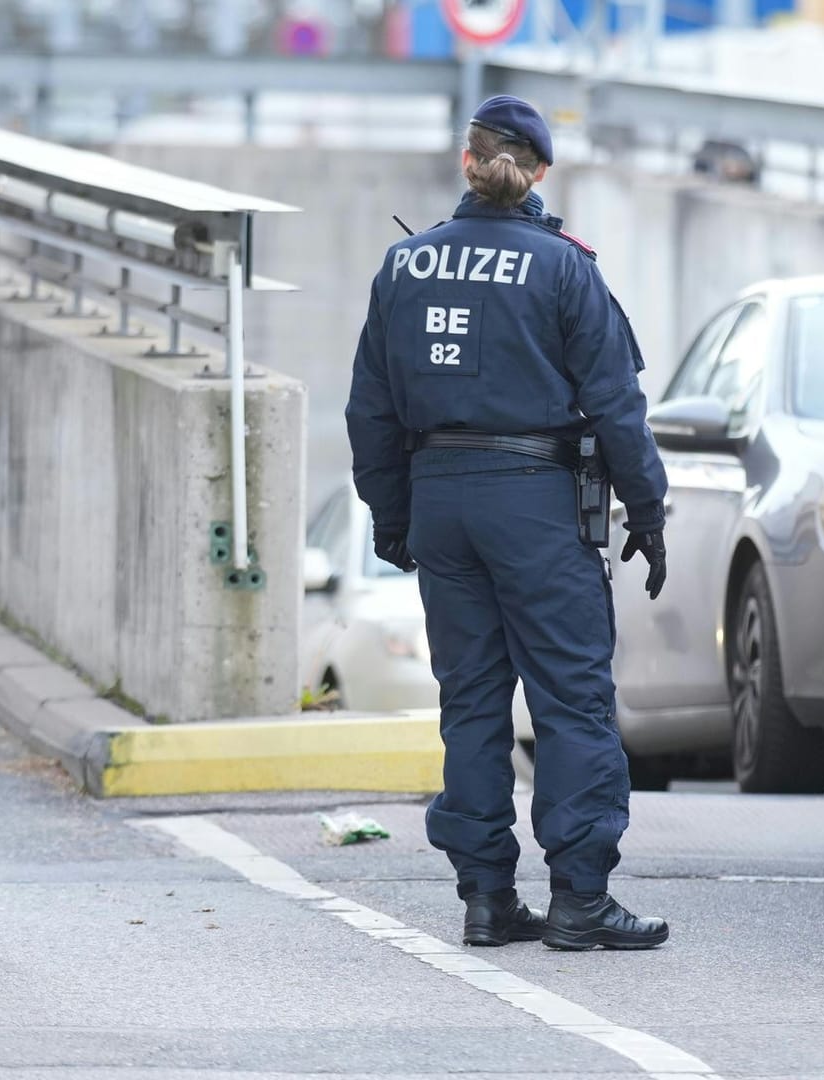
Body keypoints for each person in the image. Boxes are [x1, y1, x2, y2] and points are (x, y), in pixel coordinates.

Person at [345, 95, 671, 951]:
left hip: (441, 501)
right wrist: (649, 510)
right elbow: (617, 407)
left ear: (467, 162)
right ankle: (580, 901)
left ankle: (487, 899)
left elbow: (370, 411)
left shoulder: (403, 266)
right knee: (571, 698)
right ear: (537, 172)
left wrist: (393, 516)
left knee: (473, 704)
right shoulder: (565, 269)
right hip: (534, 501)